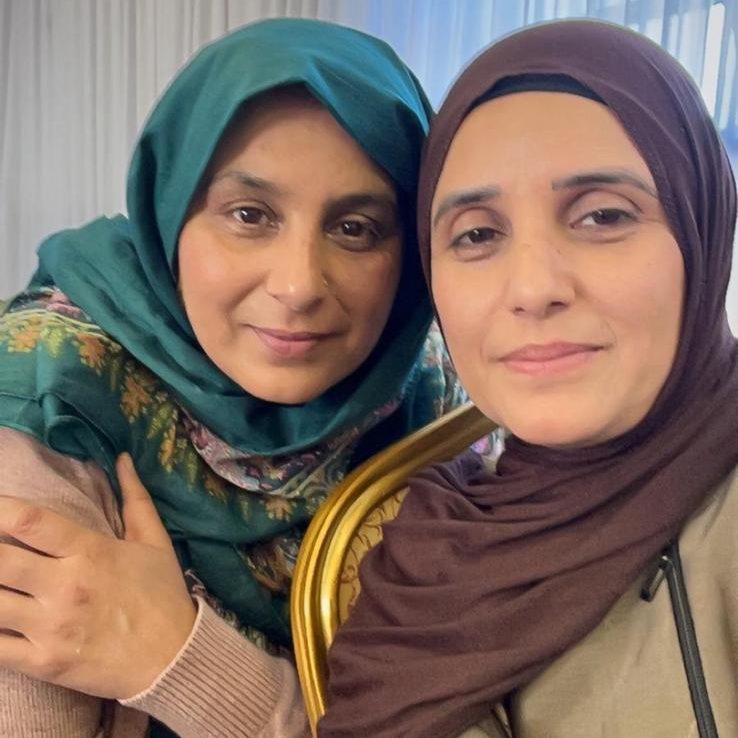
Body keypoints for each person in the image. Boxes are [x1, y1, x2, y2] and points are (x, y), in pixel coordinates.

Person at [0, 17, 463, 738]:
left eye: (356, 228)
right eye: (250, 214)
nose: (298, 285)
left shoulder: (429, 394)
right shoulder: (53, 393)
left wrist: (173, 658)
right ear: (170, 209)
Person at [321, 19, 738, 738]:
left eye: (603, 216)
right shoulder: (426, 560)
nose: (534, 288)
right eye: (478, 234)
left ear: (702, 229)